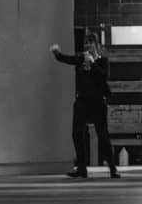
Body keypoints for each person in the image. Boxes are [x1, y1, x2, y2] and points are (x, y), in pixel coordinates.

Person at [50, 34, 120, 179]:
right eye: (86, 43)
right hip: (82, 101)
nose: (88, 45)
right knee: (76, 133)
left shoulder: (103, 61)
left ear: (96, 44)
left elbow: (103, 77)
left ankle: (113, 168)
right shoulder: (81, 58)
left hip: (98, 102)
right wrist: (57, 52)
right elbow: (66, 59)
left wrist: (92, 63)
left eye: (90, 43)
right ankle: (82, 169)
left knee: (103, 135)